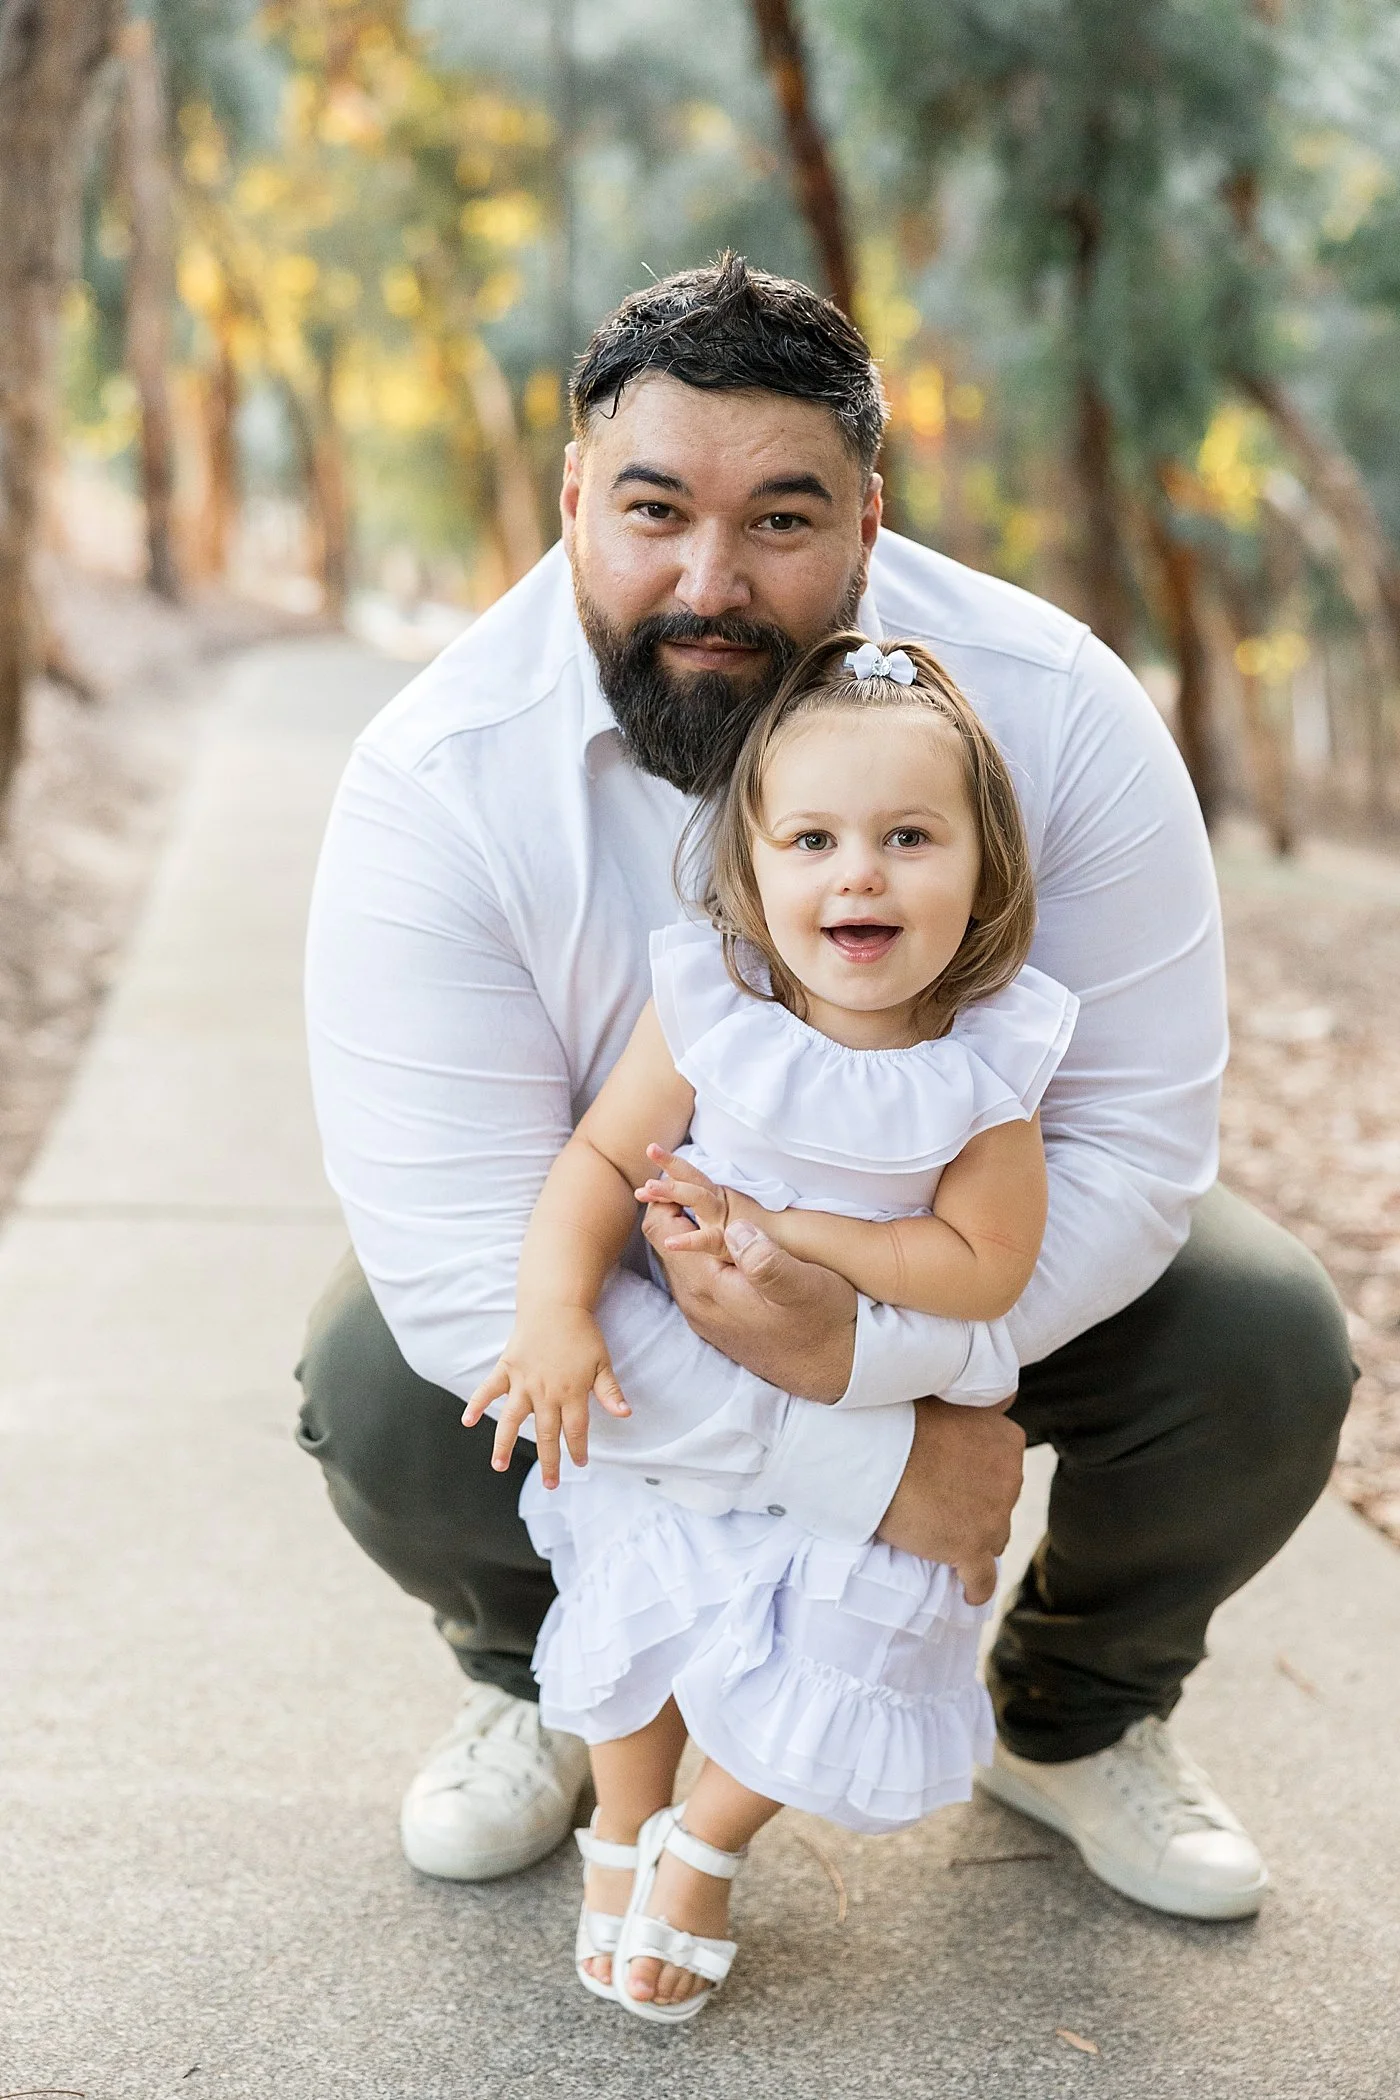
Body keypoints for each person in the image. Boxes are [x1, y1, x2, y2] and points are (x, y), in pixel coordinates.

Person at [299, 255, 1354, 1927]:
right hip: (635, 1263)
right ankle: (554, 1676)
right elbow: (451, 1261)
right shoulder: (436, 784)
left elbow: (1136, 1151)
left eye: (781, 520)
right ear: (574, 498)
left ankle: (1075, 1720)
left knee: (1261, 1341)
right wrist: (872, 1468)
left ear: (869, 524)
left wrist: (872, 1358)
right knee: (382, 1375)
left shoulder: (1063, 713)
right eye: (654, 510)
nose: (707, 581)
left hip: (953, 1254)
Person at [461, 632, 1078, 2018]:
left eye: (908, 837)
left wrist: (796, 1237)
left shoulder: (983, 1068)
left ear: (981, 872)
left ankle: (705, 1839)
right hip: (692, 1402)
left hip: (875, 1411)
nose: (858, 871)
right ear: (753, 868)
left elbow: (983, 1266)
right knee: (642, 1598)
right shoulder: (712, 1012)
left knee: (849, 1639)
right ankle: (622, 1821)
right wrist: (557, 1309)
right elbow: (602, 1165)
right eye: (812, 838)